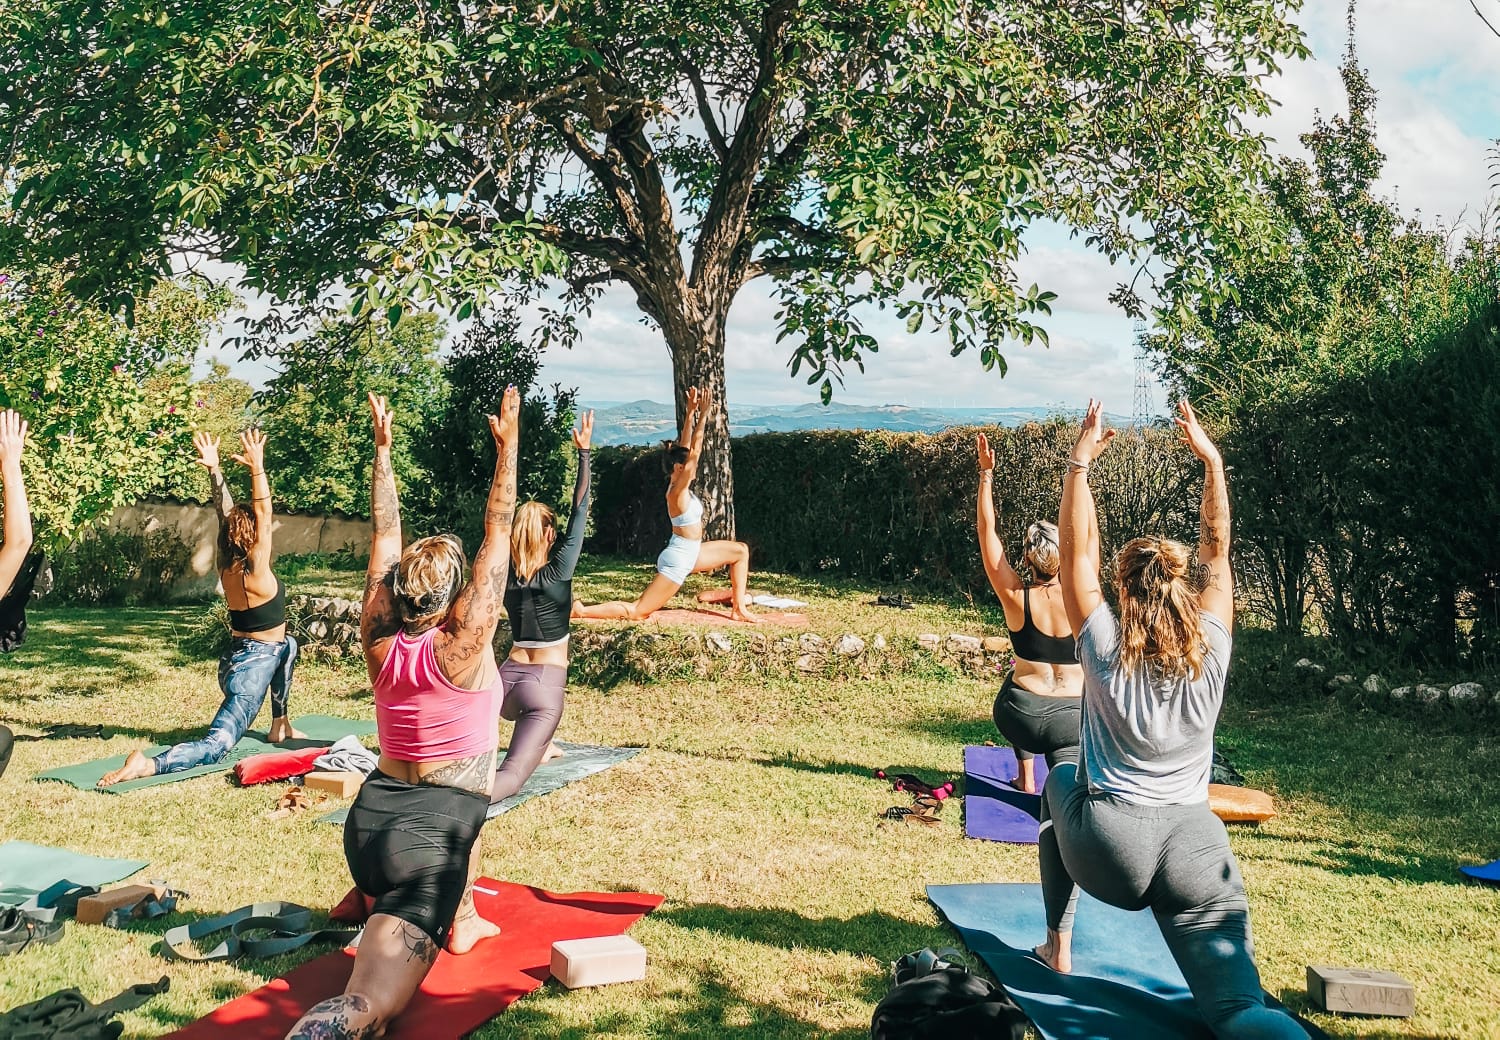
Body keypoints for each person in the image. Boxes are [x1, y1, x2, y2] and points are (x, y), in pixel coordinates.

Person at [1034, 399, 1302, 1039]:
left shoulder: (1101, 644)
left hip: (1108, 848)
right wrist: (1211, 462)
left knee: (1060, 778)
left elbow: (1075, 556)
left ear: (1123, 593)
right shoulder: (1211, 645)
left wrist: (1080, 464)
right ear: (1183, 589)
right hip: (1194, 846)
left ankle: (1056, 943)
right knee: (1242, 1011)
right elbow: (1217, 547)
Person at [286, 389, 519, 1040]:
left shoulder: (378, 635)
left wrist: (382, 451)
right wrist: (509, 447)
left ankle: (456, 917)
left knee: (464, 818)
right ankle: (434, 920)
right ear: (452, 604)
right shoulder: (464, 646)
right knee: (366, 1009)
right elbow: (498, 534)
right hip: (423, 846)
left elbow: (386, 534)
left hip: (368, 828)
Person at [100, 430, 301, 787]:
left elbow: (225, 515)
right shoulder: (258, 567)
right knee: (216, 746)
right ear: (255, 537)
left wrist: (215, 470)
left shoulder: (229, 566)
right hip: (251, 672)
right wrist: (257, 468)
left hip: (235, 660)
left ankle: (279, 723)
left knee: (289, 645)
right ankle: (146, 765)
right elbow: (263, 510)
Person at [572, 386, 756, 623]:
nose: (693, 467)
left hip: (691, 551)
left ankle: (739, 608)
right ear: (679, 468)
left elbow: (687, 448)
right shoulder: (677, 492)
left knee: (740, 551)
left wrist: (690, 414)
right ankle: (582, 611)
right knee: (638, 611)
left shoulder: (679, 482)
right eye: (688, 465)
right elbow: (695, 451)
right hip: (678, 560)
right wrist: (705, 415)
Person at [492, 409, 594, 804]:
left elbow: (497, 518)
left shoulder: (503, 574)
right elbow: (580, 511)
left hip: (504, 682)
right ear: (550, 534)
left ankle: (542, 745)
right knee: (511, 777)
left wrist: (506, 449)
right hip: (543, 688)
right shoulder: (558, 571)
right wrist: (584, 453)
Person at [976, 432, 1083, 794]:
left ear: (1026, 559)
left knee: (1015, 685)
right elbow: (1087, 538)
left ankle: (1026, 777)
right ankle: (1063, 779)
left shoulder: (1014, 596)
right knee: (1066, 744)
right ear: (1065, 558)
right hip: (1073, 718)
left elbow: (987, 534)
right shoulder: (1081, 598)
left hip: (1023, 717)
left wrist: (986, 475)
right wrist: (1080, 470)